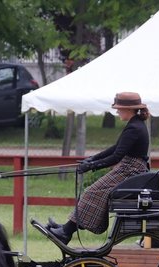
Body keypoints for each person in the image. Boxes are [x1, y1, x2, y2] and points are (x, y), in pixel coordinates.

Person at [47, 91, 150, 244]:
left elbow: (116, 156)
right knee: (92, 192)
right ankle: (66, 229)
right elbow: (116, 148)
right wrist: (92, 159)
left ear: (129, 109)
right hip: (130, 167)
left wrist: (92, 166)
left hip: (130, 169)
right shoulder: (135, 125)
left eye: (119, 108)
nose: (116, 111)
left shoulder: (134, 127)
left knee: (92, 192)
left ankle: (66, 231)